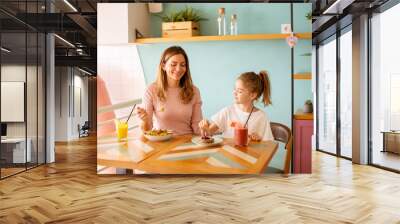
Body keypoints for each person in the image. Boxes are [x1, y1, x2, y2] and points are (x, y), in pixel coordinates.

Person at [136, 46, 203, 135]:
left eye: (183, 65)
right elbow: (147, 129)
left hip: (188, 141)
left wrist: (209, 129)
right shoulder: (151, 90)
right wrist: (144, 120)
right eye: (173, 64)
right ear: (163, 66)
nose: (178, 69)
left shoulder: (194, 91)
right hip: (162, 142)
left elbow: (197, 127)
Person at [199, 71, 274, 141]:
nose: (234, 93)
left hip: (248, 155)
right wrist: (205, 127)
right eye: (235, 89)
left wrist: (259, 140)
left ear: (252, 95)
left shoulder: (261, 117)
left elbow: (268, 145)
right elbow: (209, 132)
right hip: (227, 154)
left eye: (239, 91)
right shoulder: (228, 111)